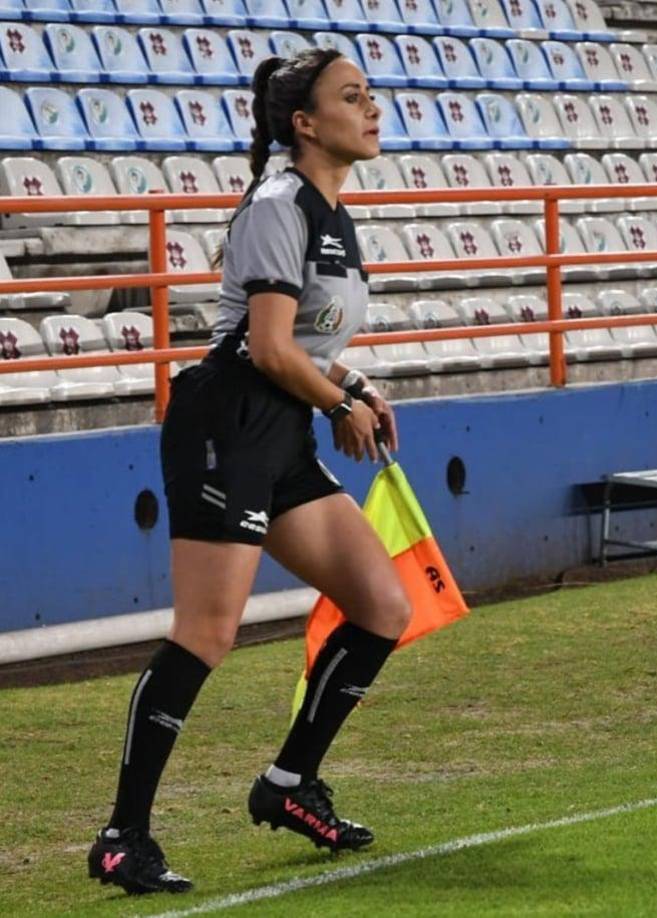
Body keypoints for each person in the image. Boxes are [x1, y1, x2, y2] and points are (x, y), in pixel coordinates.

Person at [87, 48, 411, 896]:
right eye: (353, 97)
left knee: (381, 607)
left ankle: (288, 785)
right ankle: (123, 836)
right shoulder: (279, 204)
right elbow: (263, 348)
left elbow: (300, 348)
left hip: (278, 425)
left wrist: (355, 384)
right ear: (303, 123)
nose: (372, 109)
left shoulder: (331, 210)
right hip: (225, 423)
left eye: (370, 95)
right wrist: (339, 405)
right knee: (208, 631)